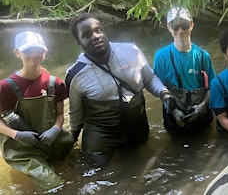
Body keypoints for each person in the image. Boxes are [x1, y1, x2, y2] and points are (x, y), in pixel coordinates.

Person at [66, 13, 171, 167]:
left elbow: (150, 79)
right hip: (102, 136)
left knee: (143, 166)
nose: (95, 36)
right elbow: (75, 114)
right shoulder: (75, 74)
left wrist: (165, 95)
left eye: (98, 30)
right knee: (95, 173)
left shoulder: (131, 51)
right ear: (79, 42)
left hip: (137, 127)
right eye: (87, 35)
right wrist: (71, 143)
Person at [0, 31, 74, 191]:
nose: (33, 55)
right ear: (17, 53)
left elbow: (60, 114)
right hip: (22, 148)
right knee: (54, 186)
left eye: (38, 51)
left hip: (53, 141)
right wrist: (17, 135)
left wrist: (55, 129)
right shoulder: (5, 87)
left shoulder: (56, 83)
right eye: (27, 51)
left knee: (74, 173)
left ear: (45, 53)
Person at [153, 6, 216, 132]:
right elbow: (157, 87)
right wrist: (174, 111)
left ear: (192, 25)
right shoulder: (161, 57)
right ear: (169, 27)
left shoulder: (203, 56)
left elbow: (213, 88)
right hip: (174, 117)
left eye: (184, 25)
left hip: (201, 116)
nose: (180, 30)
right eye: (176, 26)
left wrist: (202, 106)